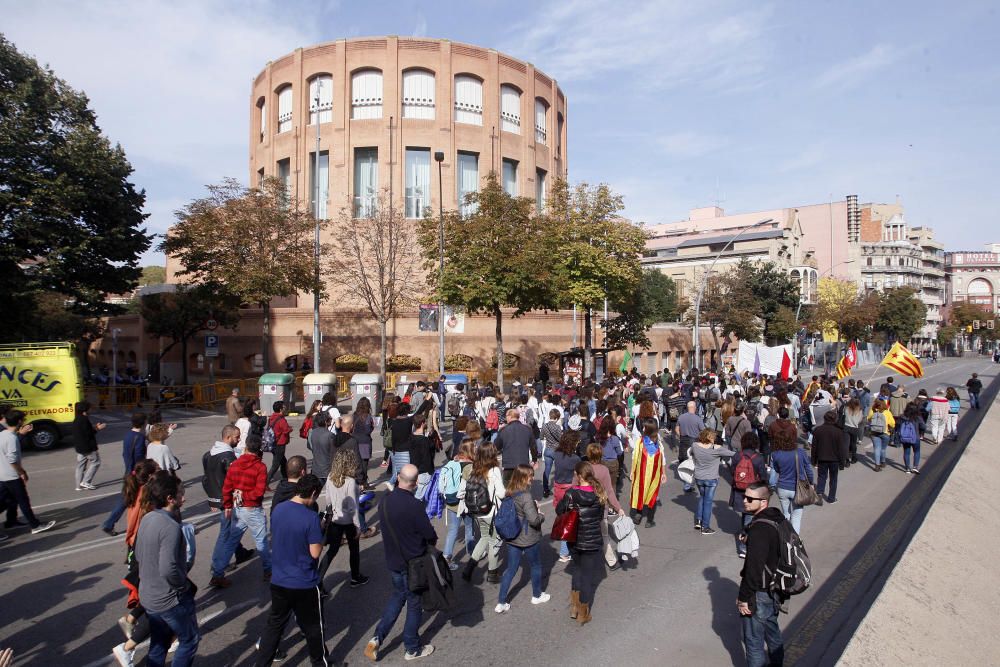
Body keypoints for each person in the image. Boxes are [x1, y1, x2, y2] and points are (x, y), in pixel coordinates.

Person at [255, 474, 330, 667]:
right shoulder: (310, 517)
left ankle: (262, 663)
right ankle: (320, 664)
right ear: (313, 493)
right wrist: (320, 532)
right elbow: (314, 553)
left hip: (280, 579)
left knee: (274, 626)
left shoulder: (279, 509)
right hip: (303, 581)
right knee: (314, 628)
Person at [364, 464, 437, 662]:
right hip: (411, 562)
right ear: (414, 484)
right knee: (414, 604)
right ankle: (412, 647)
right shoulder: (414, 505)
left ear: (398, 478)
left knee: (397, 598)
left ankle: (377, 638)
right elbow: (429, 534)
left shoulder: (385, 501)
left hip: (393, 561)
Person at [135, 472, 199, 667]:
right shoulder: (170, 526)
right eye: (180, 494)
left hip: (149, 595)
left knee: (159, 641)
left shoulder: (148, 518)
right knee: (189, 640)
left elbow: (138, 554)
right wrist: (182, 586)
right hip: (169, 598)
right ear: (170, 498)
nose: (184, 498)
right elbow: (168, 568)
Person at [738, 482, 786, 667]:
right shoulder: (777, 518)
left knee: (753, 642)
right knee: (772, 632)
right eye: (744, 496)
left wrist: (744, 598)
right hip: (776, 586)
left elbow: (753, 569)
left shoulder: (760, 529)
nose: (744, 501)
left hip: (760, 592)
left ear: (763, 502)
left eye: (750, 499)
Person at [557, 461, 607, 625]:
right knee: (587, 576)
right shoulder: (599, 493)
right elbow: (600, 517)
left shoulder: (571, 493)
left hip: (575, 538)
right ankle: (583, 613)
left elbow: (559, 511)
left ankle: (574, 607)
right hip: (591, 540)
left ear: (578, 476)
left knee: (577, 570)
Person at [495, 463, 549, 613]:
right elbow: (534, 520)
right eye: (531, 476)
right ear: (524, 477)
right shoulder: (525, 495)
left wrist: (531, 505)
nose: (533, 478)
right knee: (536, 565)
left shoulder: (510, 491)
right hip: (528, 537)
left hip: (512, 535)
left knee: (511, 569)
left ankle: (501, 602)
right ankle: (537, 595)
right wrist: (541, 514)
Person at [205, 425, 255, 588]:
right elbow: (237, 480)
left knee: (231, 530)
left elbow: (207, 480)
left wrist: (212, 500)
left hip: (219, 499)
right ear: (228, 438)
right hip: (229, 502)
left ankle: (238, 553)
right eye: (236, 437)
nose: (239, 439)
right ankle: (218, 567)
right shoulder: (228, 456)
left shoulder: (209, 454)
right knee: (227, 533)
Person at [316, 447, 370, 595]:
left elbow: (328, 500)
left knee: (332, 551)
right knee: (354, 550)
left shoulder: (330, 476)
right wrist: (358, 526)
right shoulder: (350, 482)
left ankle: (318, 582)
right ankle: (355, 577)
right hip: (348, 521)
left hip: (334, 519)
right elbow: (353, 507)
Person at [222, 434, 271, 581]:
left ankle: (218, 571)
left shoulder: (235, 465)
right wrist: (244, 495)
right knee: (261, 541)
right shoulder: (260, 467)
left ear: (246, 447)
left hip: (238, 508)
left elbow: (226, 488)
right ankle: (268, 570)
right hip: (253, 509)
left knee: (231, 541)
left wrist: (228, 505)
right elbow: (258, 492)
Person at [1, 410, 55, 535]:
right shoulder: (11, 438)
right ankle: (35, 525)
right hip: (12, 476)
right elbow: (12, 459)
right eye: (23, 420)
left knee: (8, 501)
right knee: (23, 501)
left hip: (3, 475)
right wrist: (22, 472)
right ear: (20, 421)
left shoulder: (2, 434)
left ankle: (10, 522)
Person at [462, 441, 506, 583]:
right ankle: (492, 573)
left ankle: (469, 568)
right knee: (494, 541)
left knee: (484, 537)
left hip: (477, 511)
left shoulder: (475, 468)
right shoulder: (494, 470)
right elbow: (500, 493)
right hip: (491, 511)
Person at [102, 412, 148, 535]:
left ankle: (109, 523)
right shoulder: (140, 437)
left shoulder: (128, 435)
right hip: (136, 474)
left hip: (128, 471)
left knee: (125, 499)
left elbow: (125, 454)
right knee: (146, 498)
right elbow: (139, 456)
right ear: (144, 423)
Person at [769, 423, 813, 532]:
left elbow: (775, 471)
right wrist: (811, 483)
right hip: (798, 488)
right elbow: (809, 470)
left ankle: (786, 534)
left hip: (782, 488)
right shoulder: (801, 453)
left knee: (786, 514)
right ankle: (794, 540)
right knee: (796, 516)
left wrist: (772, 485)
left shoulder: (775, 454)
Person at [690, 428, 735, 534]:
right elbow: (733, 454)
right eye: (713, 437)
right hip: (711, 478)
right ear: (710, 438)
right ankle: (705, 527)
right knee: (708, 502)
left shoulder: (695, 446)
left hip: (699, 477)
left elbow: (691, 454)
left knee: (702, 497)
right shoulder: (717, 449)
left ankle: (699, 520)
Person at [730, 432, 767, 558]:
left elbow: (732, 471)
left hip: (739, 490)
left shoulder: (737, 456)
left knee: (745, 514)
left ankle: (743, 537)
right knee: (749, 519)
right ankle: (743, 547)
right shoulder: (758, 458)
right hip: (752, 491)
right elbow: (763, 477)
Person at [441, 440, 476, 571]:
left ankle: (446, 556)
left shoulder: (453, 462)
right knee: (469, 528)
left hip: (451, 502)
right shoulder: (470, 467)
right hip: (466, 503)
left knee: (452, 530)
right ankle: (472, 552)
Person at [551, 431, 582, 562]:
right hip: (569, 490)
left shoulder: (556, 454)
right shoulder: (575, 459)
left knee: (562, 517)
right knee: (570, 522)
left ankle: (566, 548)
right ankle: (564, 552)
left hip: (558, 488)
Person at [629, 419, 666, 528]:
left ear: (649, 429)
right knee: (648, 494)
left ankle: (641, 516)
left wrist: (663, 473)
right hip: (648, 474)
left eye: (645, 427)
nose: (643, 428)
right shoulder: (656, 443)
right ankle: (647, 519)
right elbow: (635, 456)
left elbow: (662, 459)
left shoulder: (643, 442)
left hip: (651, 475)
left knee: (649, 494)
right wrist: (632, 471)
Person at [811, 410, 846, 504]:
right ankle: (831, 498)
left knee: (822, 477)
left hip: (822, 458)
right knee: (833, 478)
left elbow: (814, 447)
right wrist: (842, 463)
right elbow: (841, 449)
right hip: (834, 459)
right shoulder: (838, 432)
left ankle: (819, 494)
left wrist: (813, 460)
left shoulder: (818, 430)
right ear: (835, 419)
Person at [496, 408, 537, 486]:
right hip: (523, 464)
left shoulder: (504, 430)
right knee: (523, 489)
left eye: (506, 416)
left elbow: (496, 446)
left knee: (508, 490)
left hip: (509, 465)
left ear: (510, 416)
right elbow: (533, 446)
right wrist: (534, 459)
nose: (505, 418)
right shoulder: (527, 429)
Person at [73, 400, 107, 490]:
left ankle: (78, 485)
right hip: (87, 447)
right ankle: (86, 481)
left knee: (80, 465)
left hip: (79, 447)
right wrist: (98, 428)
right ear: (85, 410)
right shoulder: (84, 419)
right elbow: (88, 433)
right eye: (89, 408)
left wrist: (94, 427)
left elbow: (85, 431)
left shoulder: (77, 418)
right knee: (96, 462)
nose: (90, 410)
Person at [387, 402, 413, 487]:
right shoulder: (408, 421)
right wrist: (427, 400)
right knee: (406, 472)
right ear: (407, 411)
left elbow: (393, 438)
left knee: (398, 471)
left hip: (396, 451)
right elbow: (420, 411)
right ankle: (396, 484)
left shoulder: (394, 422)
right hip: (405, 450)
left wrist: (393, 450)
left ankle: (396, 488)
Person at [352, 397, 376, 487]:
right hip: (365, 441)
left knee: (356, 463)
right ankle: (363, 482)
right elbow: (367, 430)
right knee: (364, 463)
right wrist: (372, 427)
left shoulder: (354, 414)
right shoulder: (367, 416)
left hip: (355, 440)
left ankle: (357, 481)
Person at [267, 401, 292, 484]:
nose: (285, 408)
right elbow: (286, 430)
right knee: (275, 465)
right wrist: (290, 429)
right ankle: (266, 482)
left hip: (273, 443)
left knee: (283, 462)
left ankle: (286, 478)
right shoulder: (281, 419)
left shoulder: (272, 417)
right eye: (284, 407)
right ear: (281, 409)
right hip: (280, 444)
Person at [540, 409, 563, 498]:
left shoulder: (544, 426)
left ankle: (546, 490)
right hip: (556, 450)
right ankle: (559, 489)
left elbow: (541, 437)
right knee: (559, 470)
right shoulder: (557, 427)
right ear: (556, 417)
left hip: (547, 450)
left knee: (547, 470)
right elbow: (561, 439)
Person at [868, 398, 895, 471]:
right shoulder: (887, 412)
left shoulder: (872, 410)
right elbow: (893, 424)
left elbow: (869, 419)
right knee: (883, 449)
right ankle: (883, 462)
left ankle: (877, 465)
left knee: (877, 448)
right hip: (885, 432)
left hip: (874, 432)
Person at [309, 411, 335, 482]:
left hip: (316, 469)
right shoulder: (330, 435)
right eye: (330, 418)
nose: (332, 419)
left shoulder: (312, 432)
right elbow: (335, 452)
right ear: (326, 422)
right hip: (327, 470)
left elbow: (310, 446)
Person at [899, 403, 923, 474]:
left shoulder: (902, 417)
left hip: (905, 437)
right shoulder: (918, 417)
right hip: (916, 437)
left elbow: (898, 425)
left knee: (906, 452)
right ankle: (915, 467)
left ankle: (907, 468)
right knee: (917, 451)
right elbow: (923, 426)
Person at [842, 398, 864, 465]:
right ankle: (854, 458)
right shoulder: (859, 409)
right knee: (853, 444)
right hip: (854, 427)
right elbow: (860, 419)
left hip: (846, 426)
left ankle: (847, 460)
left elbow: (843, 415)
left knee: (846, 444)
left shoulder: (846, 408)